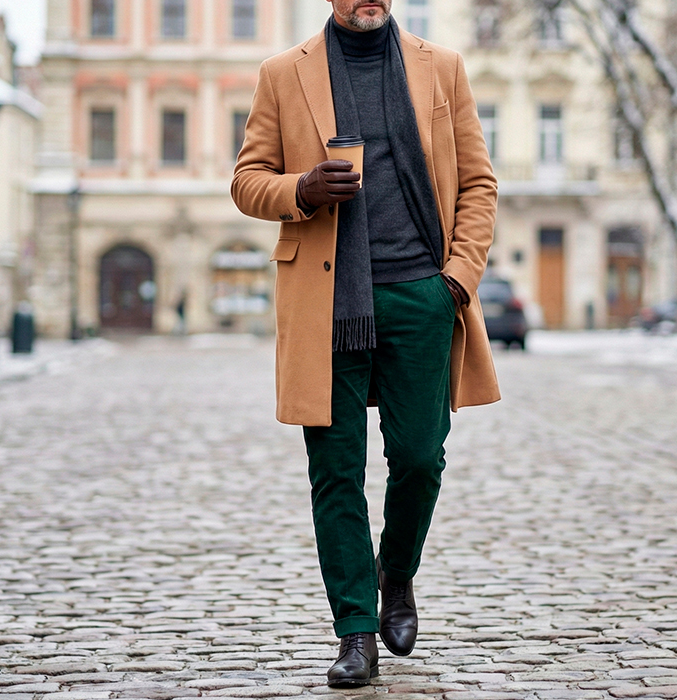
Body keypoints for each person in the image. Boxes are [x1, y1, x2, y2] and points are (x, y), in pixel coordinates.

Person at [231, 0, 499, 688]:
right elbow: (246, 180)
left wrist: (457, 281)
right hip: (326, 299)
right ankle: (355, 630)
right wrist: (302, 188)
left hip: (421, 293)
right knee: (336, 471)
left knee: (418, 458)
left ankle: (396, 573)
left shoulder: (441, 67)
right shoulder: (283, 74)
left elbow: (478, 182)